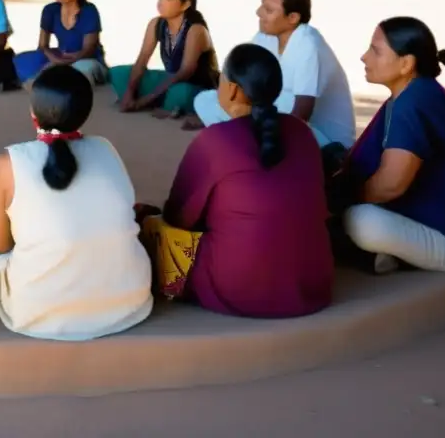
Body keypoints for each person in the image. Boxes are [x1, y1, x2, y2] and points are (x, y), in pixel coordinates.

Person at [139, 44, 333, 318]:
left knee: (150, 227)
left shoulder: (215, 141)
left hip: (240, 289)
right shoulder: (303, 132)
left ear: (231, 89)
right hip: (312, 284)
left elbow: (179, 217)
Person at [0, 64, 152, 340]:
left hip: (40, 310)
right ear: (85, 112)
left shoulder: (10, 162)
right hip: (128, 299)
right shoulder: (105, 148)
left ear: (33, 113)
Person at [333, 18, 445, 274]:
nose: (364, 57)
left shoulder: (413, 103)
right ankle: (381, 256)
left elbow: (390, 185)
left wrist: (343, 202)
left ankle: (386, 256)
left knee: (361, 221)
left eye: (376, 51)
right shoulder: (417, 93)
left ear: (406, 64)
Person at [191, 0, 355, 148]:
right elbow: (241, 74)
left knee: (274, 101)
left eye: (268, 10)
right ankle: (247, 141)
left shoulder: (308, 44)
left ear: (293, 17)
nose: (259, 12)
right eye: (262, 5)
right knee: (205, 100)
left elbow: (302, 112)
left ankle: (249, 144)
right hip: (278, 117)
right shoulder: (266, 36)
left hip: (324, 138)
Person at [110, 0, 219, 120]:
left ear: (185, 4)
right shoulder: (156, 24)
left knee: (180, 92)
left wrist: (146, 99)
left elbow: (185, 72)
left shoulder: (196, 30)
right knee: (118, 73)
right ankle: (162, 102)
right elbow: (142, 60)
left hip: (195, 85)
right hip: (170, 78)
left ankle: (168, 104)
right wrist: (129, 91)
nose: (160, 3)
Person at [13, 0, 108, 86]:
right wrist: (55, 59)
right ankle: (48, 79)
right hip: (62, 55)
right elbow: (42, 46)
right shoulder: (50, 10)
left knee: (82, 69)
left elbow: (89, 49)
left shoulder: (89, 11)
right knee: (23, 60)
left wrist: (71, 59)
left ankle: (51, 80)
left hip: (86, 59)